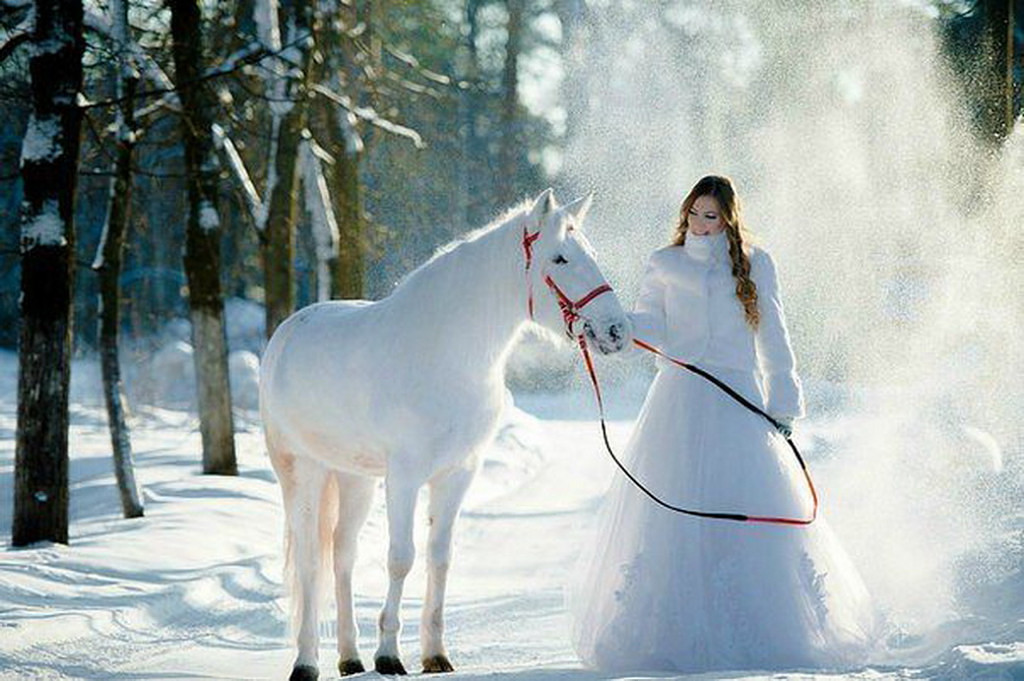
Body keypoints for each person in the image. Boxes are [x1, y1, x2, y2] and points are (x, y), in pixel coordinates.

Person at [570, 175, 878, 673]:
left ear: (728, 218)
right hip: (680, 398)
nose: (699, 223)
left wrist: (784, 399)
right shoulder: (664, 263)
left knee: (745, 502)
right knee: (678, 509)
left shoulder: (757, 263)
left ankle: (765, 626)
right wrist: (615, 330)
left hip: (739, 399)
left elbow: (773, 334)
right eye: (693, 212)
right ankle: (669, 630)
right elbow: (650, 323)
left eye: (710, 215)